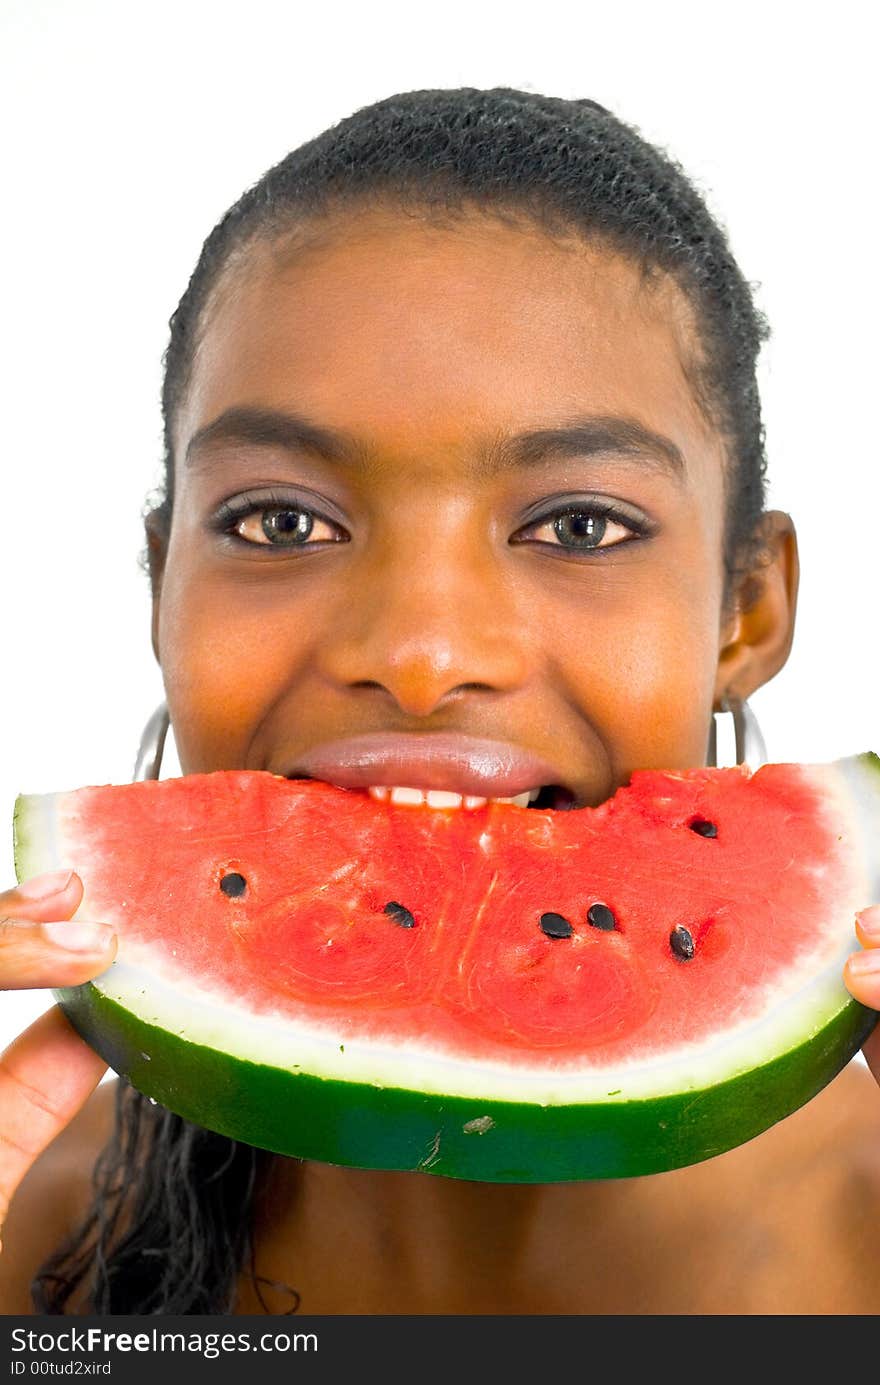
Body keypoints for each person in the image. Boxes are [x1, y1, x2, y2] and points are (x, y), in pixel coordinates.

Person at [0, 87, 878, 1317]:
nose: (420, 655)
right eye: (282, 521)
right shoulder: (38, 1230)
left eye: (578, 525)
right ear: (162, 588)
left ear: (746, 612)